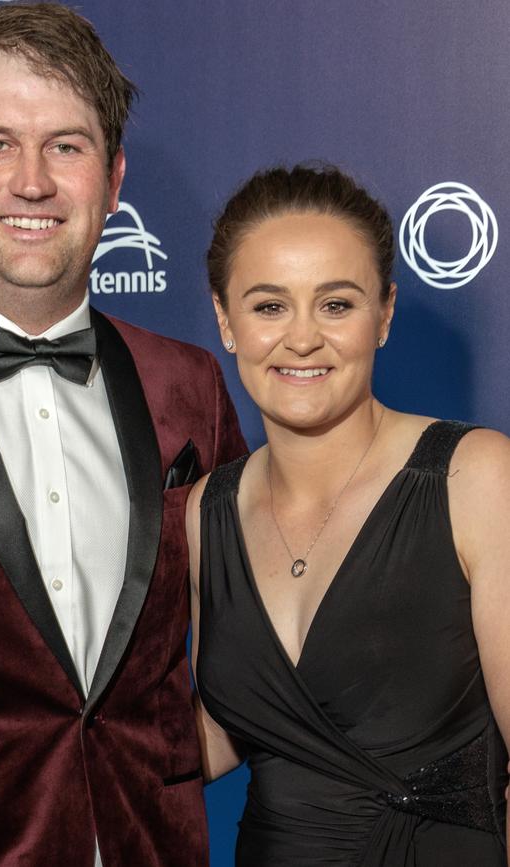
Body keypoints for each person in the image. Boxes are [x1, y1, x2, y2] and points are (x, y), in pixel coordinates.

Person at [0, 4, 245, 866]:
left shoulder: (188, 384)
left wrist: (168, 767)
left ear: (112, 181)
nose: (31, 181)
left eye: (65, 146)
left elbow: (254, 641)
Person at [187, 163, 510, 866]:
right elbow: (214, 736)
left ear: (385, 314)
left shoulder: (475, 477)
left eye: (336, 304)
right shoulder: (204, 512)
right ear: (225, 320)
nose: (302, 338)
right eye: (269, 306)